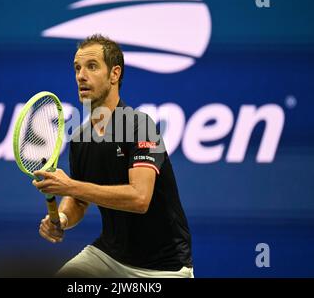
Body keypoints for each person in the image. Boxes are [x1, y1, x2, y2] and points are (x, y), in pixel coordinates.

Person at [32, 34, 193, 278]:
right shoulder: (80, 139)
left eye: (92, 66)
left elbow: (140, 198)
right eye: (77, 68)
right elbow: (79, 200)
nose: (81, 76)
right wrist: (62, 218)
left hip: (164, 267)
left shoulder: (140, 125)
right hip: (109, 256)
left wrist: (71, 186)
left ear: (114, 74)